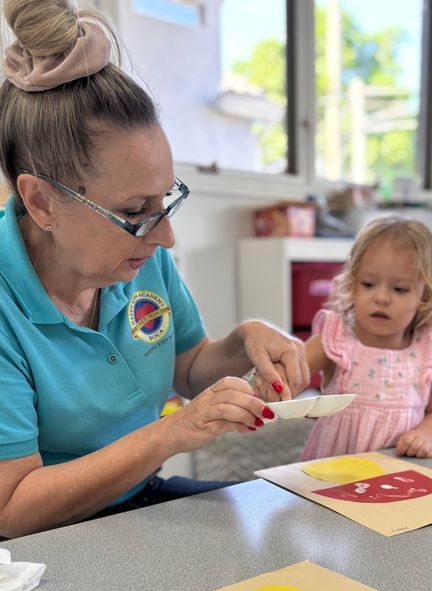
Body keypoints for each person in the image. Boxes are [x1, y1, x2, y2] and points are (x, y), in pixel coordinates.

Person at [0, 0, 309, 539]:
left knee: (284, 533)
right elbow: (13, 509)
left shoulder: (139, 258)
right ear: (43, 203)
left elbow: (187, 368)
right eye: (133, 212)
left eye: (165, 202)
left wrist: (242, 345)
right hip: (47, 544)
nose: (165, 236)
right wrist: (170, 435)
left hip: (142, 498)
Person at [255, 216, 432, 460]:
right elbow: (289, 371)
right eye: (368, 284)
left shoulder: (425, 348)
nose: (381, 297)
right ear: (353, 284)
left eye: (399, 289)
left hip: (396, 476)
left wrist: (423, 436)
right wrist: (271, 381)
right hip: (333, 478)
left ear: (426, 294)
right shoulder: (337, 338)